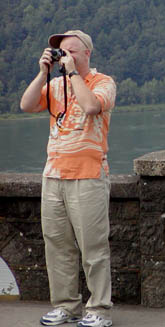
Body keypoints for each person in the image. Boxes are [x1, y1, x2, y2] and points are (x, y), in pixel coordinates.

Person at [20, 30, 116, 327]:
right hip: (54, 174)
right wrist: (43, 73)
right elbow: (26, 105)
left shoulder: (103, 82)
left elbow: (90, 106)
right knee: (57, 245)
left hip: (88, 176)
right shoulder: (56, 84)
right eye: (62, 52)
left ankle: (99, 309)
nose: (66, 56)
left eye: (72, 51)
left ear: (87, 53)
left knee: (93, 248)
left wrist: (73, 73)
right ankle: (66, 306)